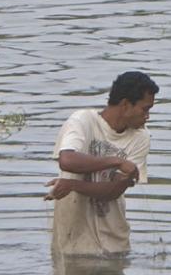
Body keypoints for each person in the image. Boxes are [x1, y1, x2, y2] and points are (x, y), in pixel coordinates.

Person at [45, 71, 158, 256]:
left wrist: (72, 185)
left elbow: (114, 191)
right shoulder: (82, 121)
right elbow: (67, 161)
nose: (147, 117)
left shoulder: (140, 137)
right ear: (125, 105)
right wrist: (117, 161)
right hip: (71, 241)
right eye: (145, 109)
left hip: (114, 245)